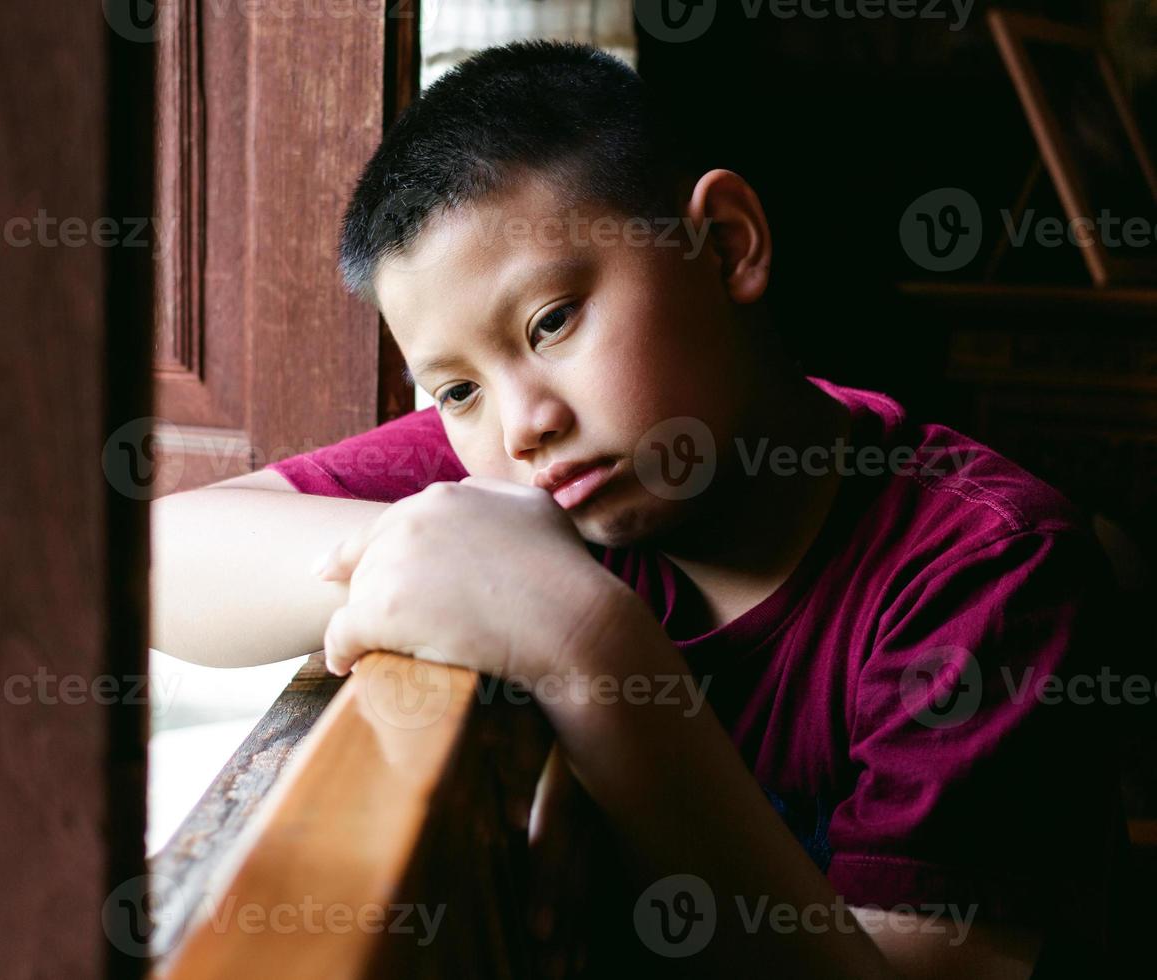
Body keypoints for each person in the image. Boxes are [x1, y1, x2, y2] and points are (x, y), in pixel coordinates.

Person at [151, 41, 1124, 977]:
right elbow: (158, 556)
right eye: (454, 390)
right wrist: (438, 562)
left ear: (725, 243)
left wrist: (581, 642)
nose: (522, 422)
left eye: (551, 321)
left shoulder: (988, 572)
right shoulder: (533, 482)